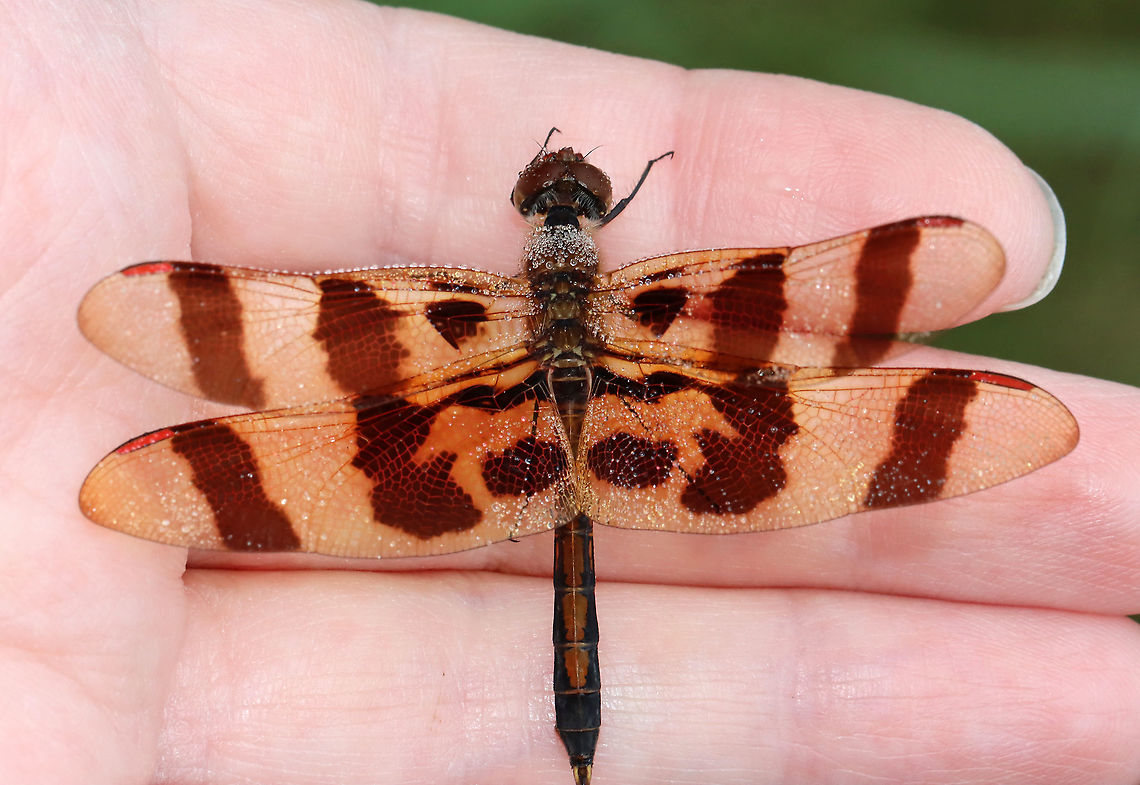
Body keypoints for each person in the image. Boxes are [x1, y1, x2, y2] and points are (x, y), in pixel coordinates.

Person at [3, 4, 1138, 784]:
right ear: (593, 225)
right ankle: (586, 731)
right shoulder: (673, 302)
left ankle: (578, 729)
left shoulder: (462, 307)